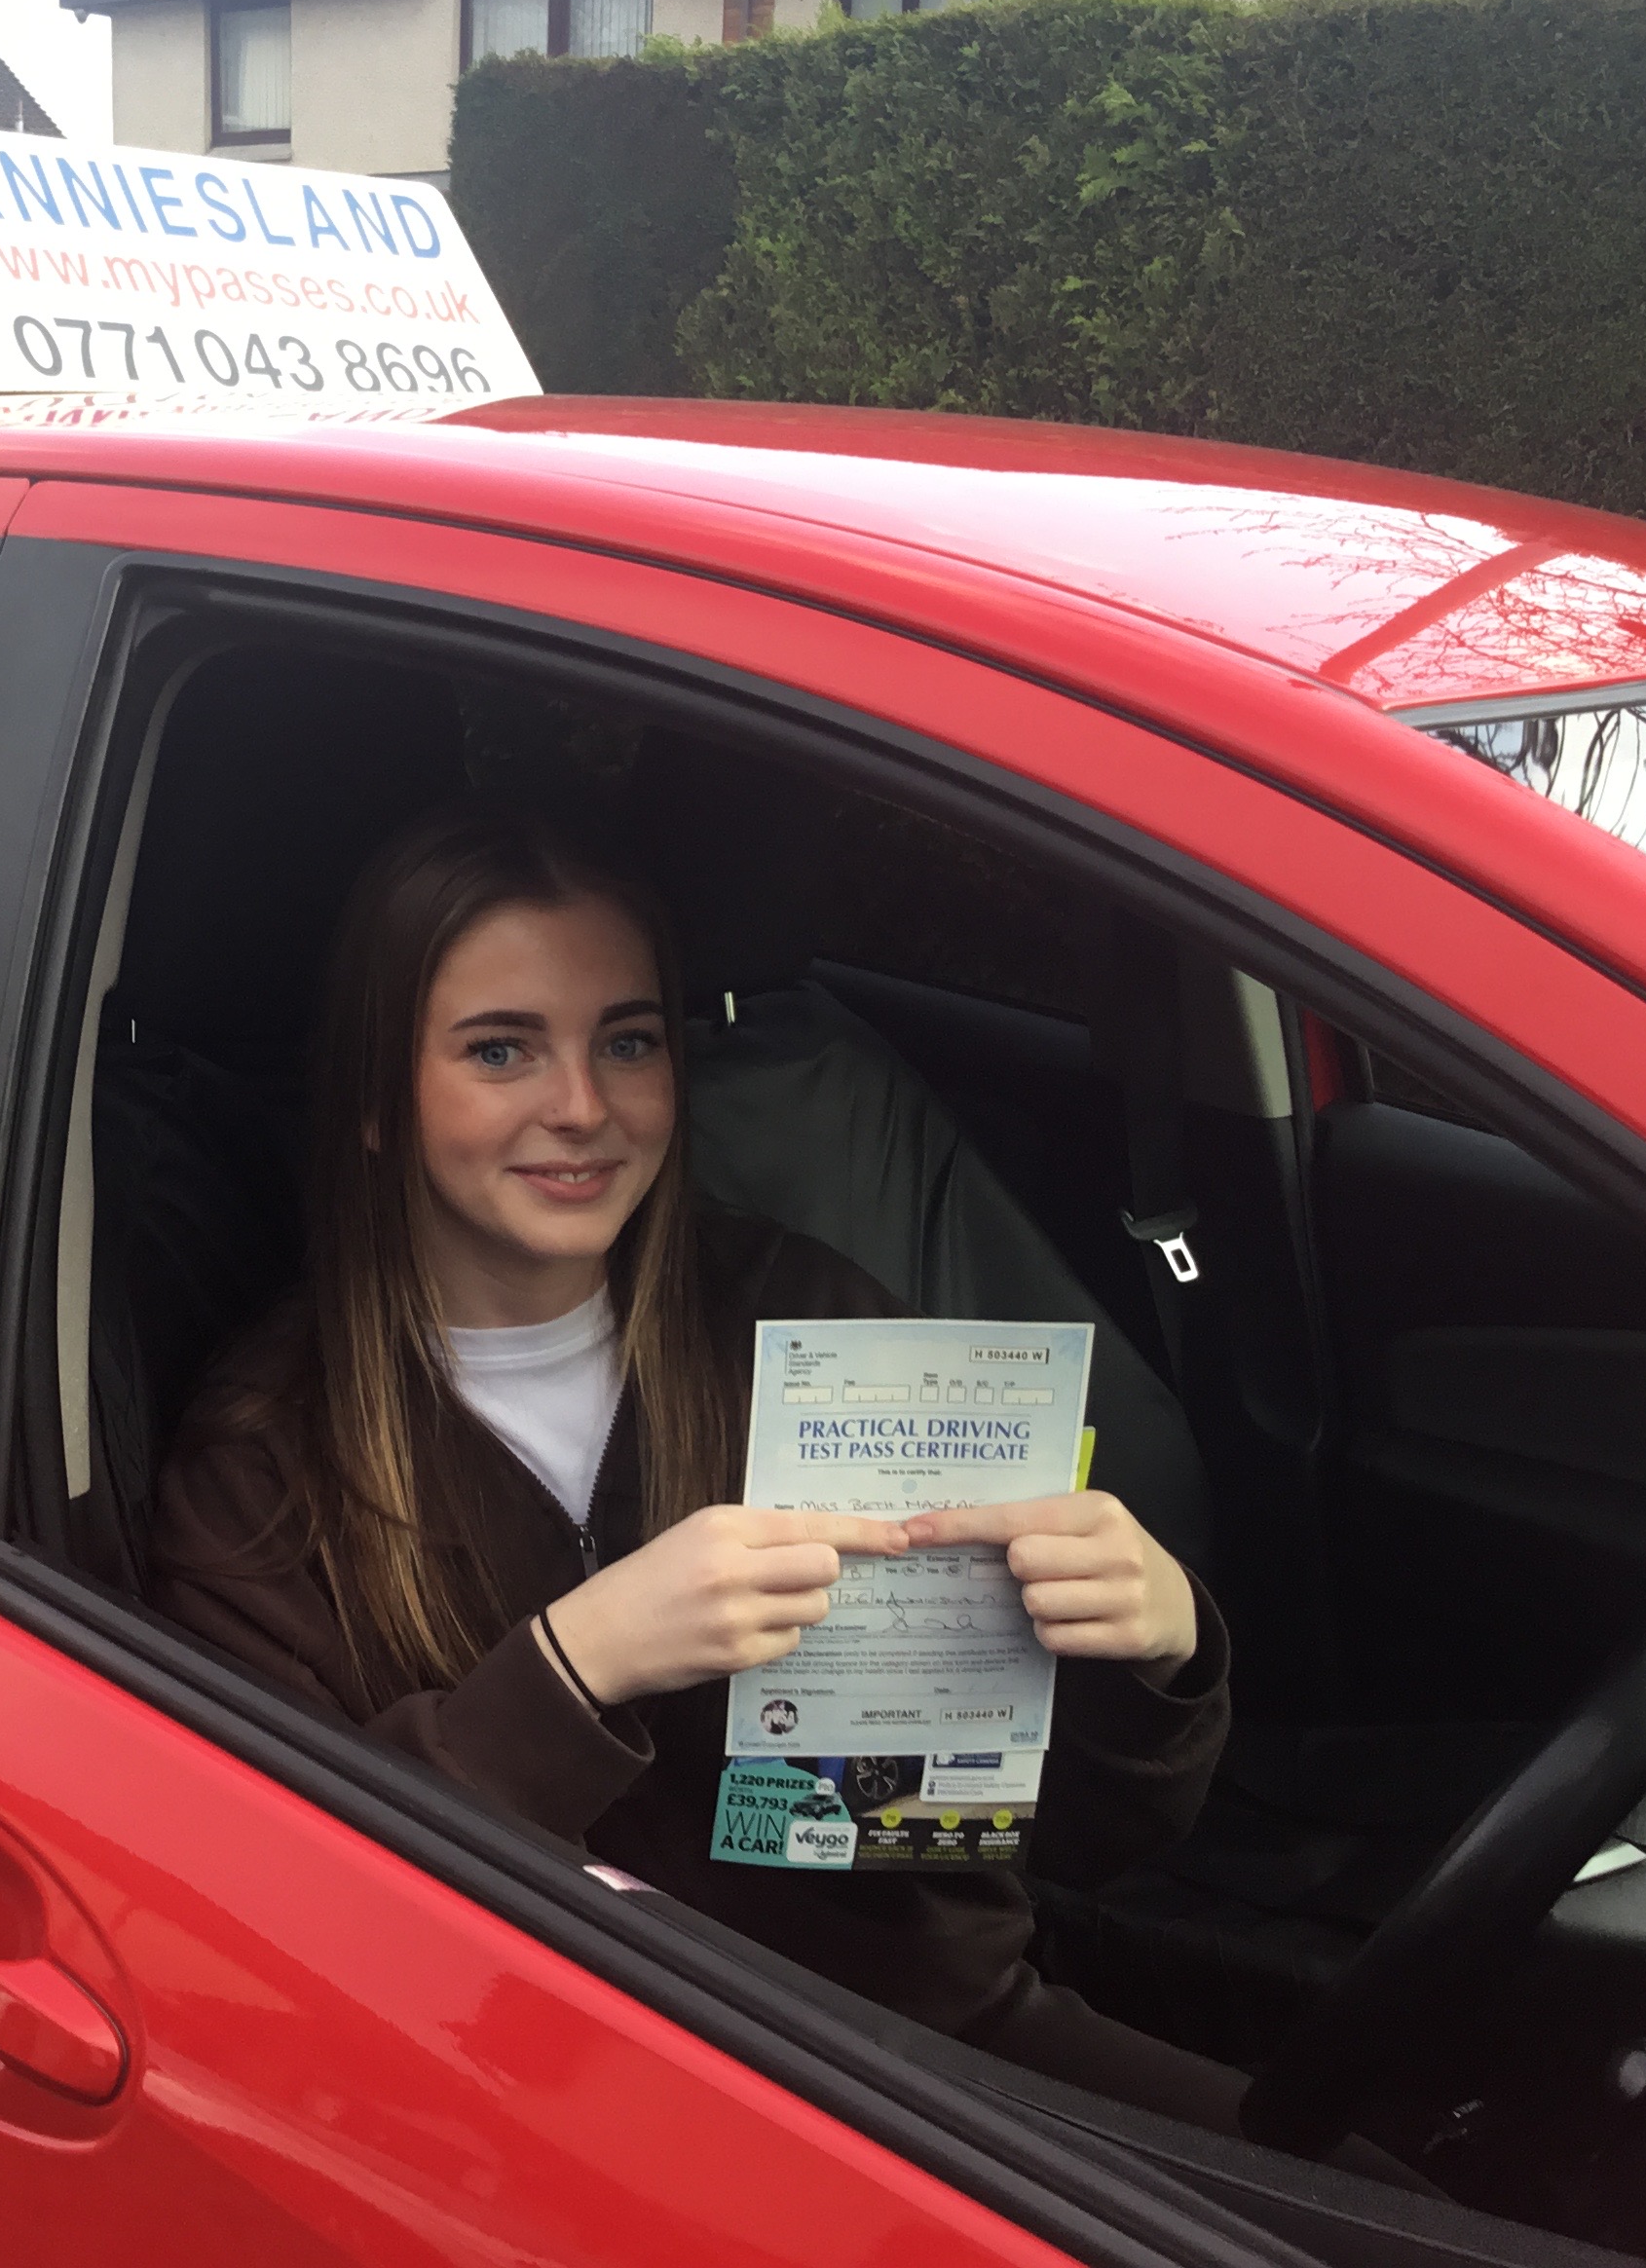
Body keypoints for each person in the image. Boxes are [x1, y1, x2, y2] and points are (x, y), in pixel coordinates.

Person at [148, 799, 1245, 2126]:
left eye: (629, 1042)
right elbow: (285, 1935)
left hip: (932, 2056)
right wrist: (575, 1670)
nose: (582, 1108)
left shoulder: (813, 1323)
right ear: (378, 1101)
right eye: (501, 1050)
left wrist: (1154, 1653)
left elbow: (1062, 1836)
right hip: (538, 2099)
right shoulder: (264, 1467)